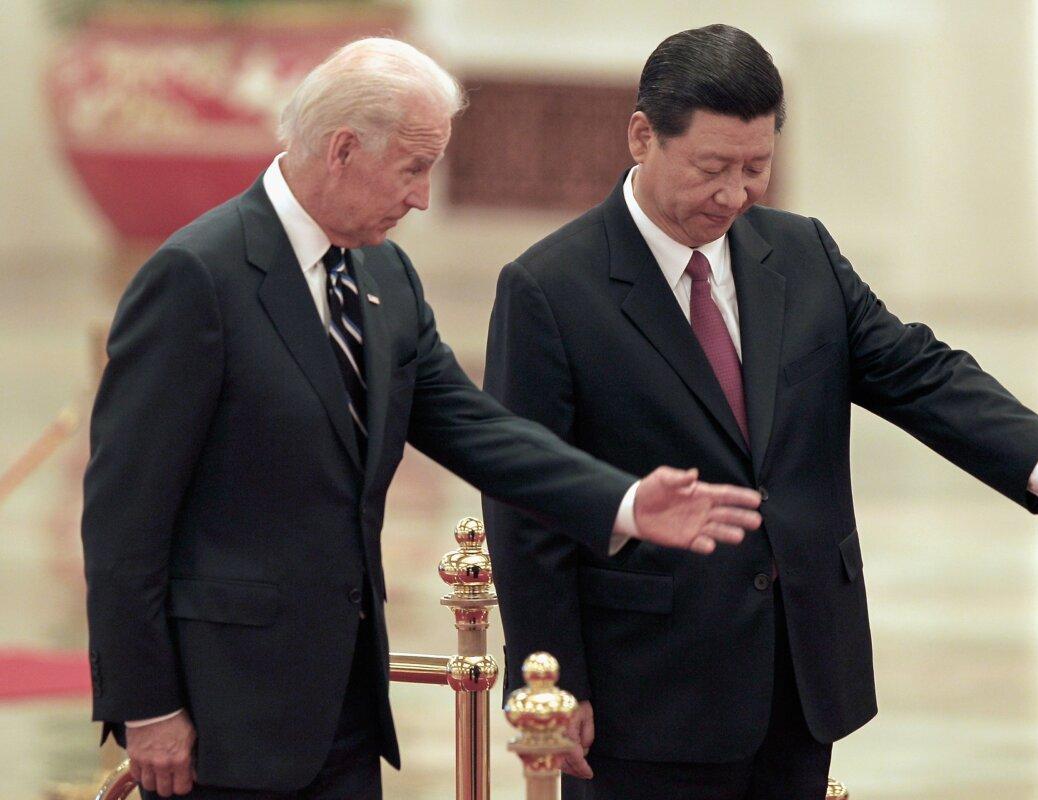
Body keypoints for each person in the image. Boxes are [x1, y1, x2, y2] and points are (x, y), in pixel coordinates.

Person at [81, 37, 764, 800]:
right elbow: (122, 521)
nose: (422, 197)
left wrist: (627, 502)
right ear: (341, 150)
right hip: (221, 716)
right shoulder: (196, 277)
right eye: (412, 168)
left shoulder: (384, 273)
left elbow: (473, 426)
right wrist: (148, 706)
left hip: (345, 709)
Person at [481, 23, 1038, 800]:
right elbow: (526, 501)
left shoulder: (800, 254)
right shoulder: (550, 288)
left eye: (757, 167)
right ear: (642, 136)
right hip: (646, 689)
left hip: (797, 679)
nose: (734, 194)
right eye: (712, 168)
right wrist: (555, 684)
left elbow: (917, 372)